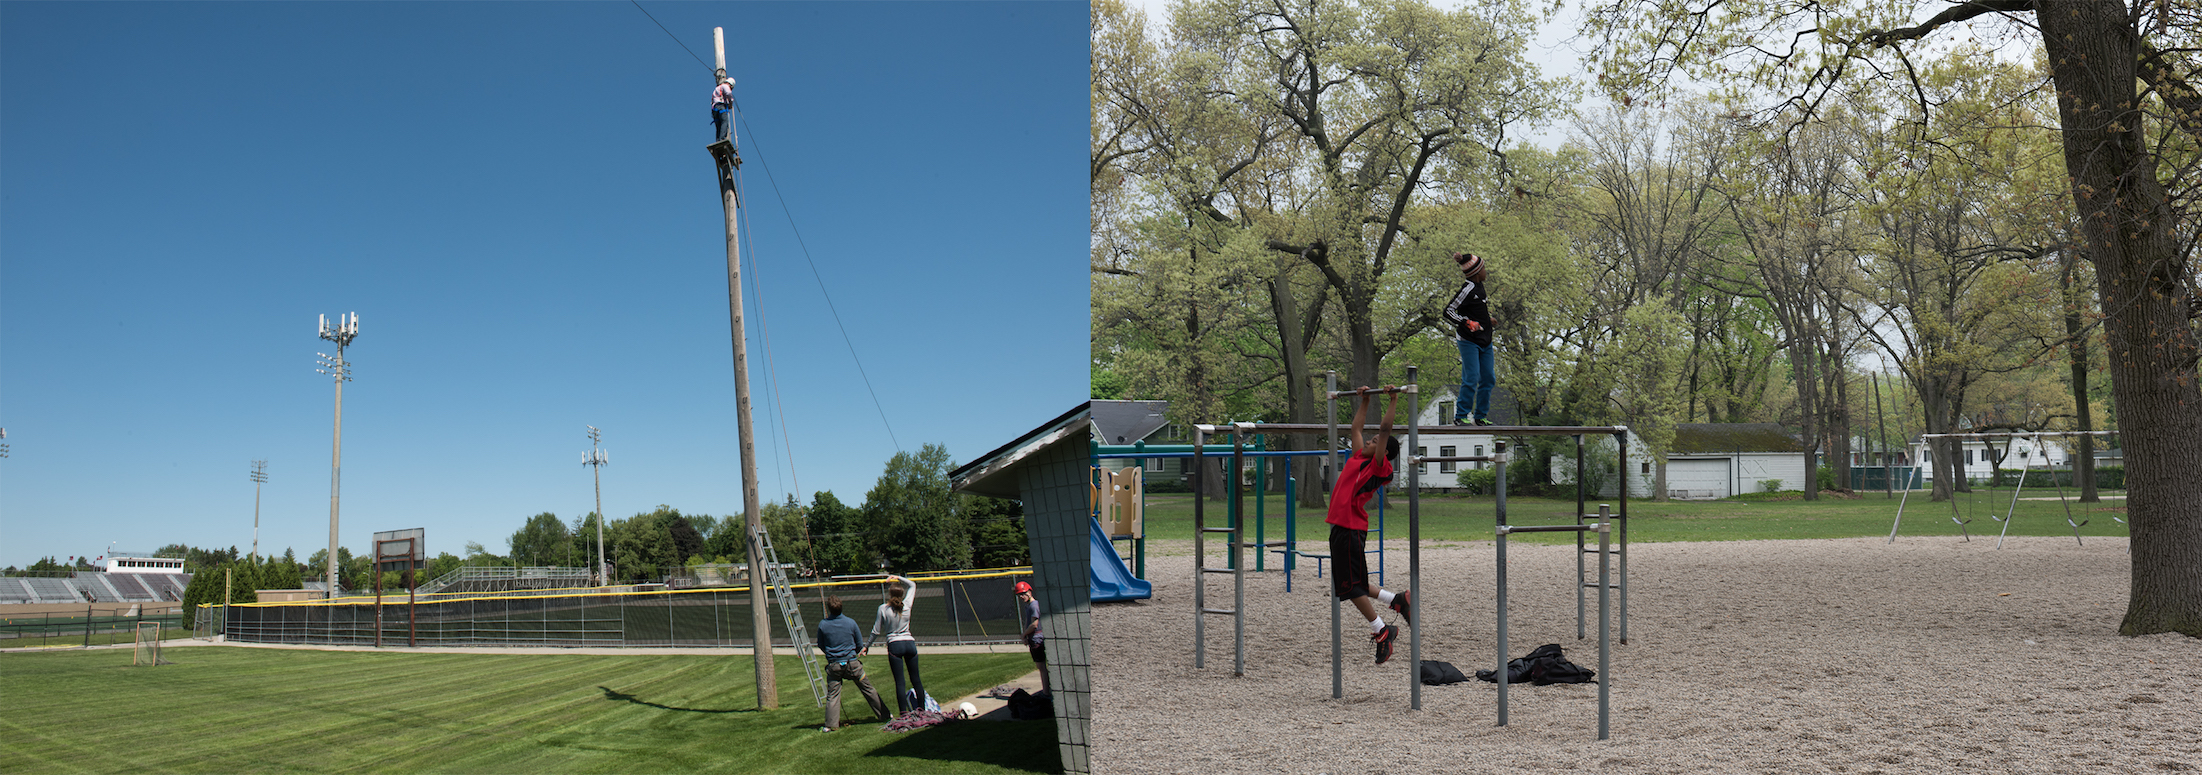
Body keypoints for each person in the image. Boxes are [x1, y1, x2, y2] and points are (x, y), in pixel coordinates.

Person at [1327, 387, 1413, 664]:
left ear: (1384, 453)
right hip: (1343, 528)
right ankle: (1397, 599)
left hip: (1350, 528)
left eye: (1375, 441)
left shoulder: (1378, 467)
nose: (1369, 440)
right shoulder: (1356, 458)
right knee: (1355, 583)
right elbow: (1356, 427)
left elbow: (1386, 428)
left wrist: (1393, 399)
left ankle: (1381, 630)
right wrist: (1364, 400)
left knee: (1350, 588)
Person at [815, 595, 888, 732]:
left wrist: (830, 654)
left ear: (829, 609)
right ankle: (885, 715)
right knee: (868, 689)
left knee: (833, 695)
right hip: (853, 665)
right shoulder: (851, 623)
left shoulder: (823, 624)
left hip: (834, 666)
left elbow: (820, 644)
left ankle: (831, 725)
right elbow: (859, 644)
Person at [1442, 251, 1497, 426]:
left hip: (1485, 340)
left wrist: (1489, 321)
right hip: (1469, 341)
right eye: (1484, 269)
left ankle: (1480, 416)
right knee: (1471, 377)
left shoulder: (1480, 288)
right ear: (1476, 272)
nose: (1486, 272)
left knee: (1488, 378)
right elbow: (1448, 311)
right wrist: (1466, 322)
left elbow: (1477, 310)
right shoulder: (1467, 289)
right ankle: (1461, 416)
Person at [865, 573, 926, 715]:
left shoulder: (883, 609)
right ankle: (922, 711)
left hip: (895, 645)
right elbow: (912, 585)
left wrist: (867, 646)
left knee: (900, 682)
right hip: (910, 643)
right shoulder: (907, 605)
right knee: (916, 680)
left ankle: (904, 714)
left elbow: (876, 631)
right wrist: (897, 577)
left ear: (890, 594)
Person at [1015, 580, 1048, 691]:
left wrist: (1024, 634)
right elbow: (1028, 623)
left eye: (1023, 593)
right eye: (1019, 594)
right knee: (1041, 667)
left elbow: (1034, 624)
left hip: (1037, 640)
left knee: (1042, 668)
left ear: (1030, 591)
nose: (1021, 596)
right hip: (1033, 639)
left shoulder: (1034, 605)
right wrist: (1025, 636)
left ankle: (1046, 692)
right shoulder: (1028, 606)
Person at [710, 69, 734, 142]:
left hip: (715, 109)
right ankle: (722, 138)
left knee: (719, 126)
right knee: (724, 122)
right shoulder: (725, 86)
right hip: (720, 107)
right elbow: (728, 93)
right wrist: (730, 102)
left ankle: (718, 140)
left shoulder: (717, 88)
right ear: (730, 84)